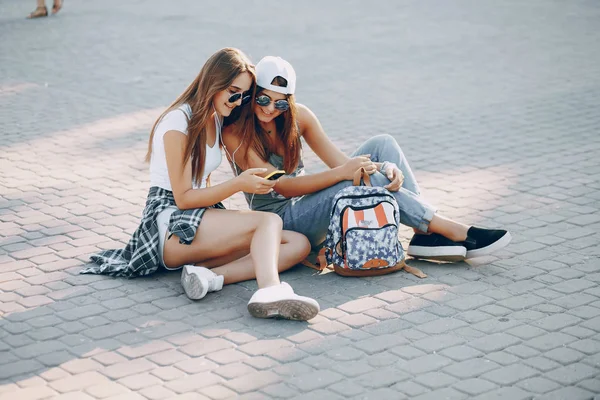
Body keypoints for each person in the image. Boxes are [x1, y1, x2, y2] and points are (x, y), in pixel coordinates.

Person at [82, 49, 319, 321]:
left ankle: (207, 278)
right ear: (213, 83)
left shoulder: (215, 118)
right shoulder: (177, 122)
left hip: (197, 221)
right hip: (169, 225)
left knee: (296, 244)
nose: (238, 100)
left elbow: (203, 183)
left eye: (244, 95)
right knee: (268, 223)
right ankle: (270, 292)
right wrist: (238, 184)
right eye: (233, 91)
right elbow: (182, 198)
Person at [222, 56, 511, 263]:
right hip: (283, 222)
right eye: (263, 99)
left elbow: (339, 161)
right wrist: (349, 173)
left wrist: (383, 167)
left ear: (290, 102)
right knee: (355, 177)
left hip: (308, 208)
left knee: (382, 144)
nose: (271, 108)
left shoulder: (300, 119)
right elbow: (281, 185)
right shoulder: (236, 132)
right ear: (253, 95)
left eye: (281, 102)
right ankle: (450, 229)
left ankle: (422, 233)